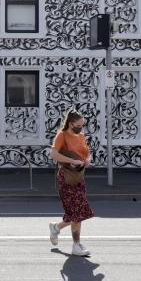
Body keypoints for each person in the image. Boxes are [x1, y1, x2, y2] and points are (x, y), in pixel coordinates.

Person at [48, 109, 94, 257]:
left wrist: (87, 160)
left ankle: (56, 228)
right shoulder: (62, 135)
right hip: (66, 178)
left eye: (82, 124)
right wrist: (72, 160)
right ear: (71, 123)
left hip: (78, 177)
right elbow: (53, 154)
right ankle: (76, 245)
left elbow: (87, 152)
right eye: (79, 124)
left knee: (77, 211)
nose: (81, 127)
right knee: (77, 212)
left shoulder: (80, 136)